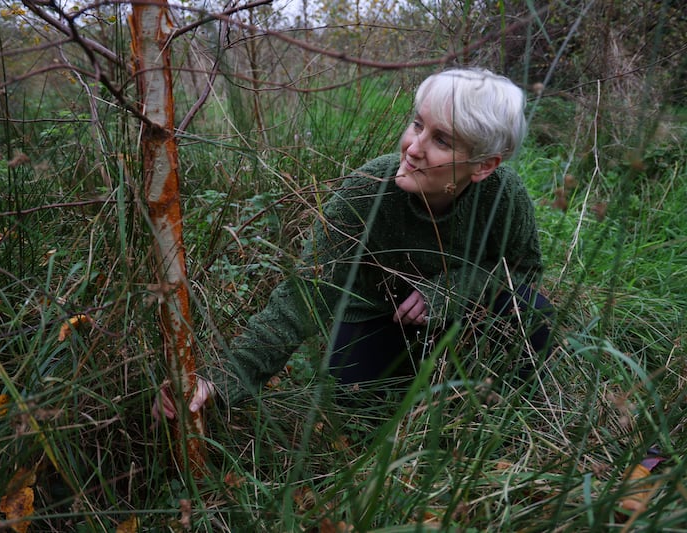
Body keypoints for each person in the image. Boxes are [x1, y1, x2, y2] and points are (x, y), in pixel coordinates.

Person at [154, 67, 554, 422]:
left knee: (531, 313)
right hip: (377, 319)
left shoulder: (505, 196)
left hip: (461, 319)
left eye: (442, 141)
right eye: (417, 125)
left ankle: (496, 420)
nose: (413, 147)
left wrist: (453, 290)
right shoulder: (368, 189)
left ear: (485, 165)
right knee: (360, 407)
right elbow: (304, 295)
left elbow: (523, 269)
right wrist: (220, 381)